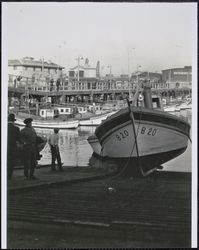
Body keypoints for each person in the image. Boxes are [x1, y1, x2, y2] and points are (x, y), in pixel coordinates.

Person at [7, 113, 21, 180]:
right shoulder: (16, 128)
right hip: (12, 148)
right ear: (13, 121)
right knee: (11, 162)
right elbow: (19, 139)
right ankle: (9, 176)